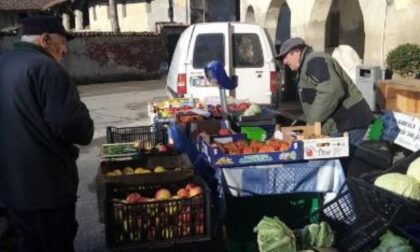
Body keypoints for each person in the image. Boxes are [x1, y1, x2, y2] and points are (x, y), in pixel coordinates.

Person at [0, 16, 94, 252]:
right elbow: (75, 127)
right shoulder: (48, 69)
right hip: (45, 189)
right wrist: (82, 113)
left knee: (26, 244)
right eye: (62, 43)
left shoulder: (4, 63)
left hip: (10, 189)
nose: (64, 51)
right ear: (45, 40)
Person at [277, 37, 374, 146]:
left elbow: (331, 91)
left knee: (344, 162)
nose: (284, 62)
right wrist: (301, 123)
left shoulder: (315, 60)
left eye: (285, 56)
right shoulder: (306, 66)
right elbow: (315, 101)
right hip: (340, 125)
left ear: (297, 51)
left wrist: (311, 123)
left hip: (349, 123)